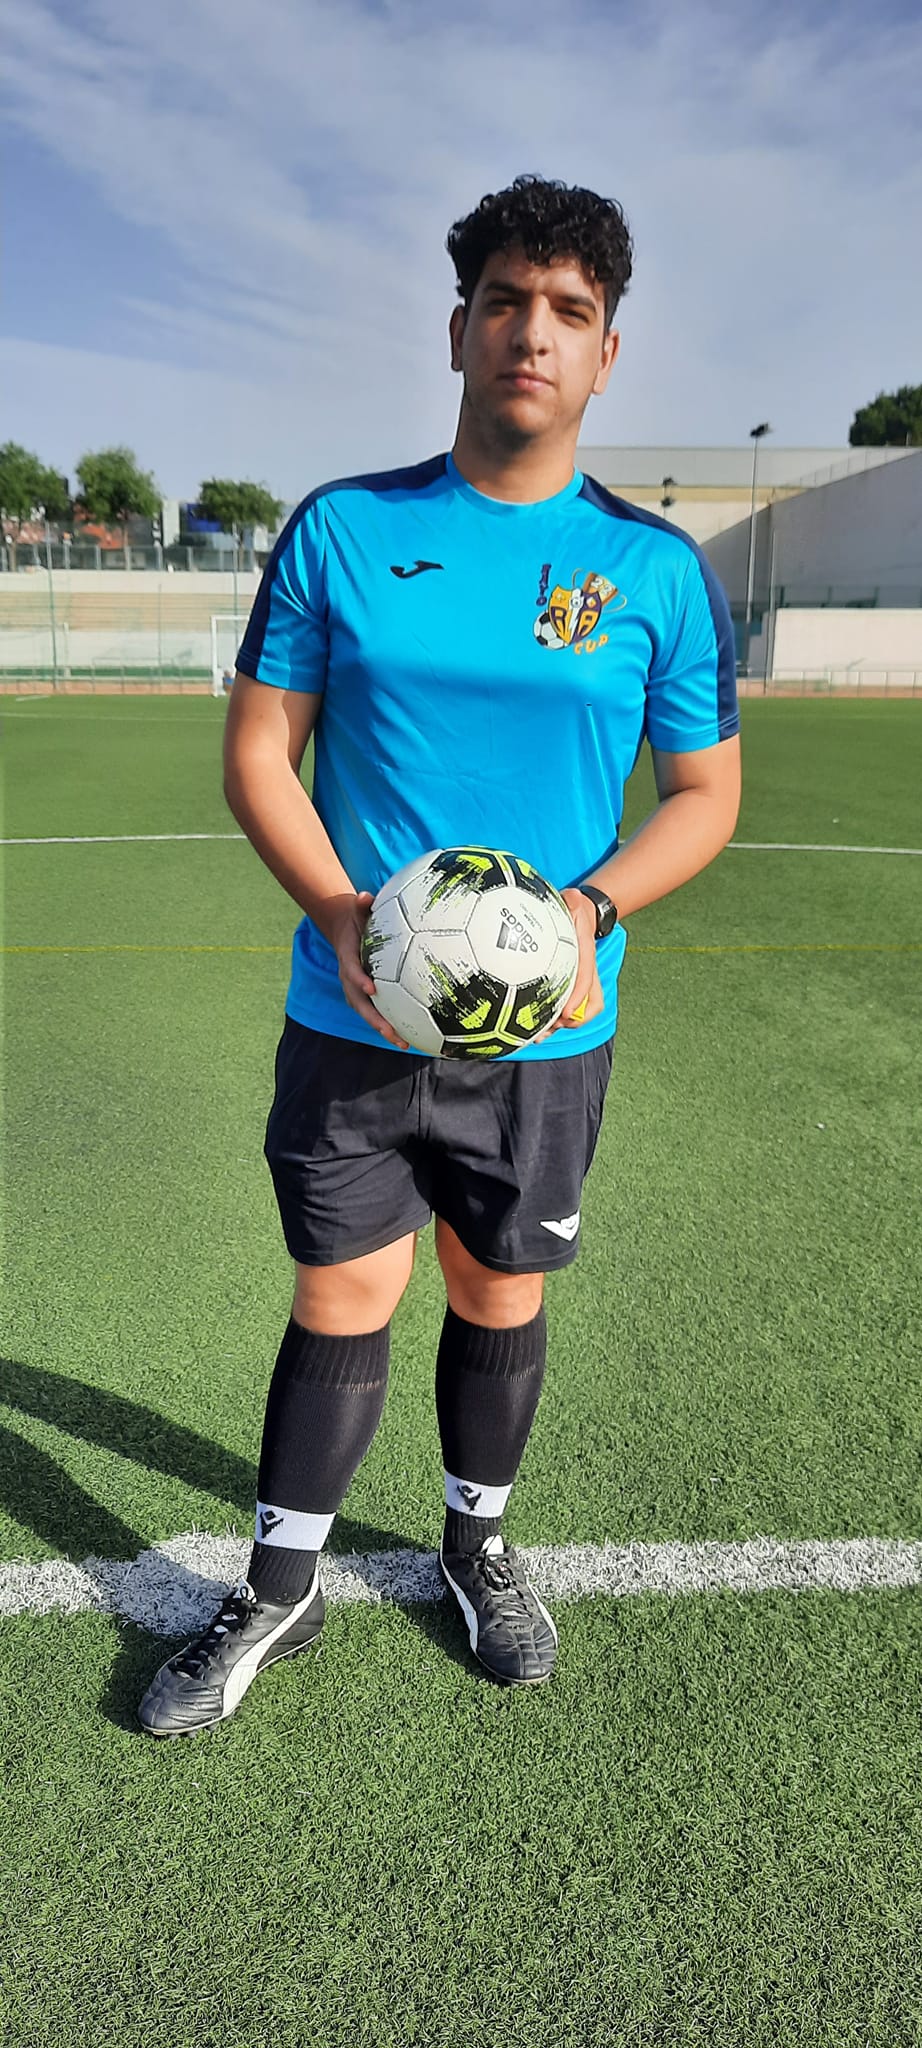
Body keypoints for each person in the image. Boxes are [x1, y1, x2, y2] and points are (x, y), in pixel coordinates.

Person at [139, 175, 740, 1736]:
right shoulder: (345, 529)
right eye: (504, 302)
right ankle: (279, 1587)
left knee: (495, 1283)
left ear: (605, 352)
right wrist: (344, 914)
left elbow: (703, 794)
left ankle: (476, 1549)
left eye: (568, 312)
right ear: (458, 326)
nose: (532, 333)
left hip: (545, 1032)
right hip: (352, 1010)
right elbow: (261, 753)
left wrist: (587, 913)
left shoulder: (653, 572)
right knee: (342, 1290)